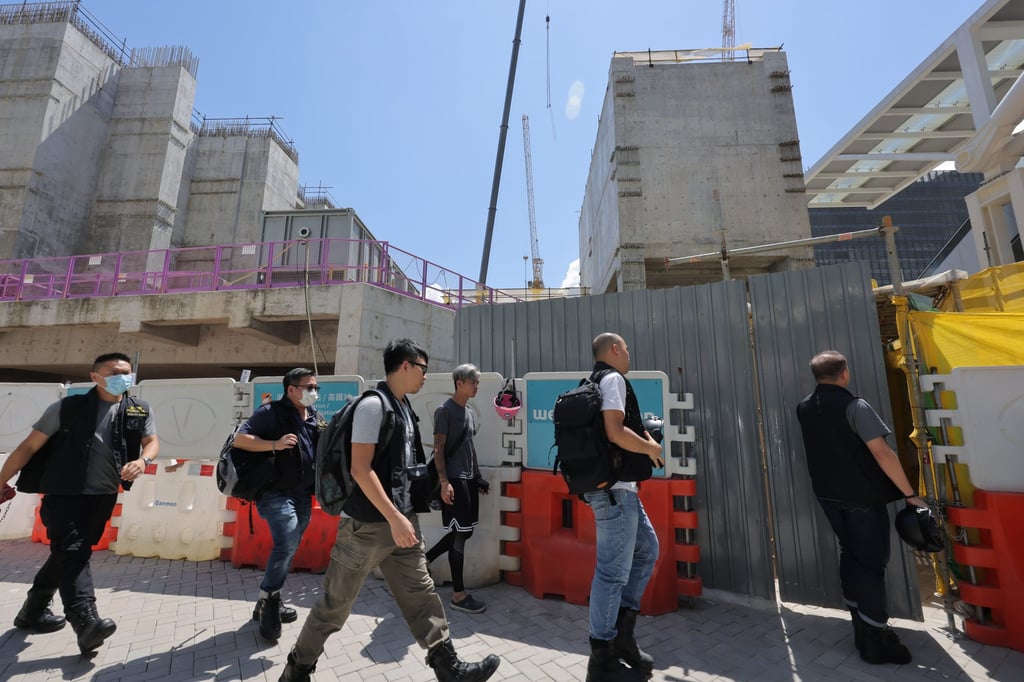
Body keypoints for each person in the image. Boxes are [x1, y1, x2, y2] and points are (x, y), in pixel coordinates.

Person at [278, 339, 501, 682]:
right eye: (423, 368)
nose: (426, 376)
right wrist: (395, 517)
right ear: (406, 366)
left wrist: (406, 513)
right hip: (366, 527)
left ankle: (448, 666)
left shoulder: (404, 408)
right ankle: (298, 669)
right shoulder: (374, 407)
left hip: (401, 523)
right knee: (333, 607)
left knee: (421, 594)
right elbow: (360, 469)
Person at [0, 352, 158, 654]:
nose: (122, 378)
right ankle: (85, 622)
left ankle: (32, 612)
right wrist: (1, 481)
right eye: (114, 372)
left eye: (127, 372)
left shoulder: (138, 409)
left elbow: (152, 441)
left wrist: (143, 460)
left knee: (67, 553)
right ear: (94, 377)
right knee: (75, 553)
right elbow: (28, 446)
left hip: (104, 495)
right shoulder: (66, 408)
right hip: (63, 493)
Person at [796, 350, 926, 665]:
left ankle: (862, 626)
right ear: (844, 373)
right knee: (870, 563)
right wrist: (910, 493)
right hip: (861, 499)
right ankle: (875, 642)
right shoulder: (855, 406)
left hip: (829, 497)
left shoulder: (804, 408)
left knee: (851, 555)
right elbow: (882, 453)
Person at [583, 333, 664, 682]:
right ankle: (601, 657)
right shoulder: (613, 378)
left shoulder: (594, 381)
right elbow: (614, 432)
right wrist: (650, 449)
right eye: (627, 348)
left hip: (618, 489)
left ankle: (622, 635)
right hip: (615, 493)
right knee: (612, 573)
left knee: (648, 549)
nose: (629, 353)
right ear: (614, 350)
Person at [233, 367, 324, 641]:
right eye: (308, 387)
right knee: (286, 541)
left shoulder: (314, 417)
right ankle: (271, 602)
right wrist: (274, 444)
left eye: (315, 388)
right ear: (291, 390)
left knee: (292, 543)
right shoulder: (271, 412)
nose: (314, 392)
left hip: (303, 494)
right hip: (274, 491)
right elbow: (240, 438)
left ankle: (265, 599)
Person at [425, 363, 490, 614]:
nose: (476, 386)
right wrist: (444, 483)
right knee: (460, 536)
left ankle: (425, 560)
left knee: (464, 532)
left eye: (478, 382)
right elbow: (438, 449)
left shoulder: (469, 412)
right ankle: (458, 595)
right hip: (453, 479)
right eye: (473, 381)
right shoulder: (445, 411)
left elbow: (468, 448)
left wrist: (478, 477)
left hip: (468, 479)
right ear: (459, 382)